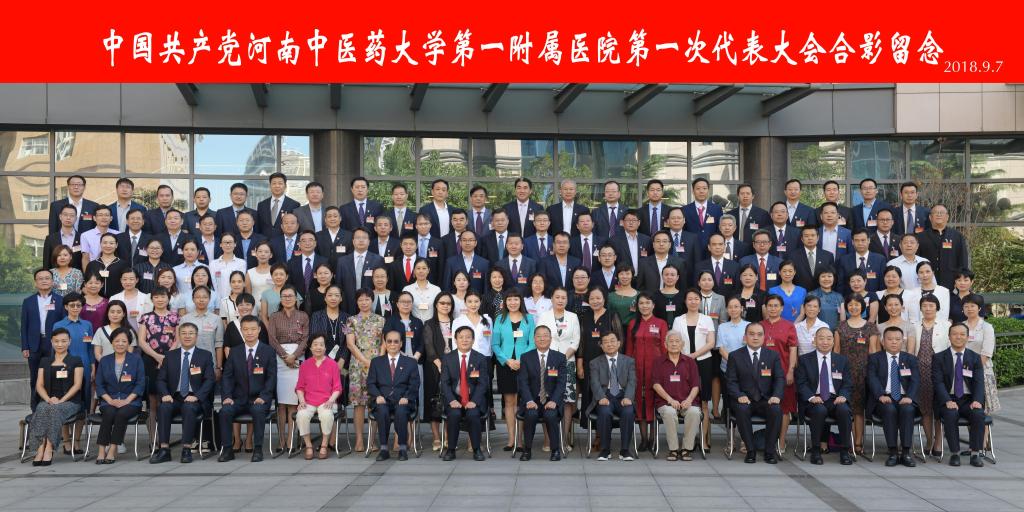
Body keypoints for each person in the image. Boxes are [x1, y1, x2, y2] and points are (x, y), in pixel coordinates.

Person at [150, 322, 215, 464]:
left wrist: (197, 396)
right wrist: (165, 394)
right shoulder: (170, 356)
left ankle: (186, 449)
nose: (187, 336)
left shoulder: (205, 355)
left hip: (195, 398)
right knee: (163, 407)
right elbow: (161, 379)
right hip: (174, 397)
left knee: (189, 407)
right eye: (184, 333)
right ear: (178, 336)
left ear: (196, 336)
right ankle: (164, 449)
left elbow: (210, 380)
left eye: (191, 333)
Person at [218, 315, 277, 462]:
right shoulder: (234, 351)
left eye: (253, 329)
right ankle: (227, 449)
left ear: (259, 330)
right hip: (238, 399)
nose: (249, 332)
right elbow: (227, 377)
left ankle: (258, 449)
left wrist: (264, 396)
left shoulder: (268, 351)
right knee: (225, 411)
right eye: (245, 329)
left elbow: (271, 378)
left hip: (259, 398)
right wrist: (227, 397)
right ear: (242, 331)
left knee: (258, 410)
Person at [726, 322, 784, 464]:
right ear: (745, 337)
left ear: (764, 337)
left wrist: (776, 395)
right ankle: (750, 451)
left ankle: (769, 451)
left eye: (759, 334)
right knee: (742, 410)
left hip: (766, 399)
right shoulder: (735, 356)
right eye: (751, 334)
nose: (755, 337)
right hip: (744, 399)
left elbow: (779, 379)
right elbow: (731, 381)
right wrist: (739, 395)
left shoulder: (773, 355)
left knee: (776, 410)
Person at [796, 326, 854, 465]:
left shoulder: (842, 360)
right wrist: (811, 397)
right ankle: (816, 450)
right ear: (814, 341)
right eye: (821, 338)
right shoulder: (804, 360)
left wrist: (843, 396)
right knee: (819, 410)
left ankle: (845, 451)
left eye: (829, 339)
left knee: (844, 410)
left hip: (835, 399)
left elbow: (848, 383)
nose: (825, 342)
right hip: (813, 399)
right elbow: (801, 383)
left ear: (833, 342)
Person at [933, 323, 986, 467]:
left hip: (969, 399)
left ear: (967, 337)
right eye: (955, 334)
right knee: (950, 414)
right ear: (949, 337)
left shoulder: (975, 358)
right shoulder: (939, 357)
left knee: (978, 414)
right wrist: (947, 400)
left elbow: (979, 382)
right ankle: (954, 453)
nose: (958, 337)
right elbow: (938, 382)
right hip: (948, 398)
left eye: (962, 334)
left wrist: (977, 400)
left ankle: (975, 454)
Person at [28, 329, 83, 466]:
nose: (60, 344)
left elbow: (77, 385)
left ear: (69, 342)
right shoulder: (45, 361)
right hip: (48, 399)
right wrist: (48, 399)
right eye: (56, 341)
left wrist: (61, 400)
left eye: (64, 341)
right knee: (42, 408)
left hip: (70, 401)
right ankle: (40, 446)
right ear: (51, 342)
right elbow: (39, 385)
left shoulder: (76, 360)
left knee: (53, 410)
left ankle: (49, 447)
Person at [867, 326, 920, 467]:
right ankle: (893, 452)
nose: (894, 342)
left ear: (903, 341)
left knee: (908, 409)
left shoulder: (910, 359)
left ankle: (906, 452)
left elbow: (915, 380)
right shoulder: (875, 358)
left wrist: (909, 397)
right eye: (890, 339)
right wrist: (880, 394)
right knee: (889, 409)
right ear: (883, 341)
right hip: (884, 398)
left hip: (905, 397)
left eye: (897, 339)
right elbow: (872, 378)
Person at [834, 293, 880, 455]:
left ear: (863, 307)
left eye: (857, 304)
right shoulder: (840, 327)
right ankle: (847, 442)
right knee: (847, 408)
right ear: (846, 307)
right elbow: (836, 351)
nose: (854, 307)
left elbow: (873, 351)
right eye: (850, 305)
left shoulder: (870, 327)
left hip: (864, 373)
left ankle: (858, 443)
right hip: (844, 373)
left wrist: (874, 373)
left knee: (859, 409)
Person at [91, 326, 144, 464]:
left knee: (121, 414)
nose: (120, 344)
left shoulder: (136, 359)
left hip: (131, 402)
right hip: (109, 400)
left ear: (129, 343)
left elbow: (140, 384)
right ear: (112, 342)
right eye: (117, 341)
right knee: (109, 413)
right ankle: (101, 450)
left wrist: (127, 400)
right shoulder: (105, 360)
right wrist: (110, 400)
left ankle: (112, 449)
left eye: (124, 341)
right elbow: (99, 384)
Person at [672, 289, 717, 446]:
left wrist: (695, 355)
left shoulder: (707, 319)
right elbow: (675, 341)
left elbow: (711, 342)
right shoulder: (678, 320)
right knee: (685, 399)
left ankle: (704, 439)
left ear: (700, 301)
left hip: (704, 362)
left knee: (704, 402)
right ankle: (688, 439)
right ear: (685, 301)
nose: (693, 301)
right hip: (682, 362)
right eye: (690, 299)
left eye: (696, 298)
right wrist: (686, 357)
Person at [491, 289, 535, 452]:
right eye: (509, 300)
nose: (513, 302)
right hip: (506, 365)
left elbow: (533, 342)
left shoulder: (529, 318)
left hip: (525, 365)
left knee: (523, 401)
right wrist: (507, 360)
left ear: (520, 301)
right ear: (505, 302)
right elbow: (495, 344)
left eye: (516, 299)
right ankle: (511, 439)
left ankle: (520, 440)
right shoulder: (500, 319)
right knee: (509, 402)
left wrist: (522, 360)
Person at [535, 288, 579, 449]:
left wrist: (562, 358)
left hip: (568, 362)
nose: (560, 300)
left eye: (563, 298)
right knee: (547, 400)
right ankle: (548, 440)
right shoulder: (544, 316)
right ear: (552, 299)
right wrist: (554, 358)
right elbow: (540, 338)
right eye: (557, 297)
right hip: (547, 362)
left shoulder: (573, 317)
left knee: (567, 402)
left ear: (567, 300)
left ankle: (564, 440)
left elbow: (575, 341)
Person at [266, 285, 308, 448]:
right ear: (280, 299)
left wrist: (294, 356)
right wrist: (285, 356)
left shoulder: (303, 315)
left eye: (291, 296)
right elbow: (272, 339)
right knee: (281, 404)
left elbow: (305, 339)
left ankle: (291, 438)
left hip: (297, 359)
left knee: (293, 401)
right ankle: (281, 439)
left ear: (296, 298)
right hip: (279, 360)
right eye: (284, 296)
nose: (288, 298)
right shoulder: (274, 316)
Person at [367, 330, 419, 461]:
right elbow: (371, 384)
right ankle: (384, 449)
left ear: (401, 343)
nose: (392, 344)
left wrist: (407, 397)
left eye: (396, 341)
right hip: (382, 400)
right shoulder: (376, 362)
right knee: (382, 410)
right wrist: (377, 396)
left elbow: (415, 384)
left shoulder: (411, 362)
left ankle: (402, 448)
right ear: (385, 343)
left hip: (403, 401)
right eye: (389, 341)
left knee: (401, 411)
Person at [516, 324, 566, 461]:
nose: (542, 339)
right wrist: (529, 400)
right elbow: (523, 382)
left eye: (545, 336)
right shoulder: (526, 357)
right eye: (538, 336)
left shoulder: (560, 357)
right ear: (534, 339)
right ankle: (527, 450)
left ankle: (555, 450)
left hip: (551, 399)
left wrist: (554, 401)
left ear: (551, 338)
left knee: (551, 415)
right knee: (531, 415)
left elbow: (561, 383)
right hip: (532, 399)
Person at [625, 292, 668, 452]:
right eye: (641, 303)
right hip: (637, 370)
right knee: (640, 402)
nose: (644, 306)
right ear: (637, 306)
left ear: (653, 305)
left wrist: (665, 368)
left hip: (655, 370)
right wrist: (628, 370)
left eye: (647, 302)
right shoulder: (632, 324)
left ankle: (653, 438)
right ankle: (643, 439)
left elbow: (664, 348)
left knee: (654, 402)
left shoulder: (661, 323)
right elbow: (629, 349)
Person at [441, 325, 490, 461]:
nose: (464, 340)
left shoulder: (480, 358)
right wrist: (452, 400)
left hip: (473, 399)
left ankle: (476, 449)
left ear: (473, 340)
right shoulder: (448, 358)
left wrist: (474, 401)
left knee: (473, 414)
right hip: (454, 399)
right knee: (454, 414)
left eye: (468, 337)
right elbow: (444, 383)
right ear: (455, 340)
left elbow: (482, 383)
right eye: (461, 337)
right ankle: (451, 450)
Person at [346, 289, 386, 452]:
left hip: (377, 364)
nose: (364, 302)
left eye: (367, 299)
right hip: (357, 365)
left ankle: (372, 440)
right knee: (359, 404)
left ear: (372, 300)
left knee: (374, 403)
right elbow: (350, 344)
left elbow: (384, 343)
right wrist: (364, 361)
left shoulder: (381, 320)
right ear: (356, 302)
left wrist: (378, 361)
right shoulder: (350, 320)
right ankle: (359, 440)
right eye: (360, 300)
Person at [652, 330, 702, 461]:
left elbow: (696, 385)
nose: (674, 344)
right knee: (669, 412)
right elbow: (656, 385)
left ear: (682, 344)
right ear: (665, 344)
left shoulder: (690, 362)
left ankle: (686, 449)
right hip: (665, 402)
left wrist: (689, 400)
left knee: (694, 412)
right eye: (671, 341)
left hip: (687, 402)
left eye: (677, 341)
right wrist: (670, 399)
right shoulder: (658, 362)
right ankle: (673, 449)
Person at [911, 295, 950, 456]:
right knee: (925, 408)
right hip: (920, 371)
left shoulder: (946, 325)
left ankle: (938, 441)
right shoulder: (914, 326)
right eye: (925, 306)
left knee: (939, 407)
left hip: (939, 372)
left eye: (931, 305)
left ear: (937, 308)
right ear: (920, 308)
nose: (928, 309)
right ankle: (929, 440)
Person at [589, 331, 637, 461]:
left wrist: (628, 397)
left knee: (628, 412)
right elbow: (594, 382)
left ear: (618, 343)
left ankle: (625, 450)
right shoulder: (595, 363)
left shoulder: (629, 361)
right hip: (605, 395)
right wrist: (601, 397)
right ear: (601, 346)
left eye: (612, 341)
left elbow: (632, 381)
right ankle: (605, 450)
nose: (609, 344)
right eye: (605, 342)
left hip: (623, 396)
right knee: (604, 412)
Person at [52, 292, 94, 442]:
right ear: (66, 307)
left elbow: (90, 348)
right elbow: (54, 349)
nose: (75, 308)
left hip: (85, 367)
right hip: (64, 368)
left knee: (83, 403)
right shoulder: (58, 325)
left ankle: (77, 440)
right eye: (72, 305)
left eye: (78, 305)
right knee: (64, 401)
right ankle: (66, 441)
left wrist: (93, 367)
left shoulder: (87, 325)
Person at [22, 269, 66, 410]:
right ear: (35, 283)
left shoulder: (60, 301)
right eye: (40, 278)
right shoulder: (28, 302)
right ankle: (35, 408)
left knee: (53, 375)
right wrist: (25, 346)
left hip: (54, 344)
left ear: (52, 282)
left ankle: (52, 406)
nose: (44, 281)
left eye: (47, 278)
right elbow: (24, 325)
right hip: (34, 344)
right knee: (35, 377)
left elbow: (64, 324)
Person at [760, 294, 798, 450]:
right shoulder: (760, 325)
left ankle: (781, 441)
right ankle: (768, 440)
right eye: (770, 305)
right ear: (765, 308)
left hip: (783, 373)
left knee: (784, 408)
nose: (773, 308)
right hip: (762, 374)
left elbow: (793, 350)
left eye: (776, 306)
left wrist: (791, 371)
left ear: (782, 308)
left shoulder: (789, 326)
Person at [295, 334, 342, 460]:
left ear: (325, 347)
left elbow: (337, 388)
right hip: (309, 401)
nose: (318, 347)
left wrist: (331, 400)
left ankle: (324, 445)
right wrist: (302, 401)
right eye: (315, 344)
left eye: (321, 344)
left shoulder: (332, 364)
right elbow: (299, 387)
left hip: (326, 400)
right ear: (310, 348)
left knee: (326, 415)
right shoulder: (305, 365)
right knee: (301, 415)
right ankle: (308, 445)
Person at [423, 293, 456, 450]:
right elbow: (428, 347)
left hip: (453, 367)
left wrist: (449, 365)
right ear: (436, 304)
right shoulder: (429, 324)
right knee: (433, 401)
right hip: (433, 367)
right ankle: (436, 438)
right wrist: (439, 364)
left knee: (450, 400)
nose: (445, 306)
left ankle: (448, 436)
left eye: (448, 303)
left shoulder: (456, 323)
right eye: (442, 303)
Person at [916, 204, 969, 290]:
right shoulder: (920, 237)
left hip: (951, 283)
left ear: (947, 217)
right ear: (930, 217)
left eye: (942, 212)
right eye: (936, 212)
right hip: (927, 282)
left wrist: (961, 280)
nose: (939, 214)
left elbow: (963, 260)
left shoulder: (957, 236)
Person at [962, 294, 999, 416]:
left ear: (979, 308)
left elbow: (986, 352)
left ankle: (983, 430)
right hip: (961, 371)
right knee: (967, 406)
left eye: (972, 306)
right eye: (966, 306)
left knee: (982, 410)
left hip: (982, 371)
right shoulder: (960, 326)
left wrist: (972, 370)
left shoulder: (987, 327)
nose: (969, 309)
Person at [84, 233, 128, 298]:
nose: (108, 246)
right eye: (105, 243)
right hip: (97, 300)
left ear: (116, 245)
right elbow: (85, 284)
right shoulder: (92, 264)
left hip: (117, 300)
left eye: (111, 243)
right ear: (100, 244)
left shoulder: (123, 264)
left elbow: (127, 283)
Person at [44, 205, 84, 270]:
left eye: (72, 215)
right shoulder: (50, 239)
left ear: (76, 218)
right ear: (60, 217)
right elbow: (46, 262)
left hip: (77, 275)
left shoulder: (82, 238)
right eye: (65, 215)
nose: (68, 218)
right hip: (55, 275)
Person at [209, 233, 247, 297]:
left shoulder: (242, 263)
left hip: (236, 299)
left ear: (235, 244)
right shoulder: (213, 264)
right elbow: (213, 284)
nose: (228, 244)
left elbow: (240, 284)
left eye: (230, 242)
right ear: (220, 244)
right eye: (225, 242)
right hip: (218, 299)